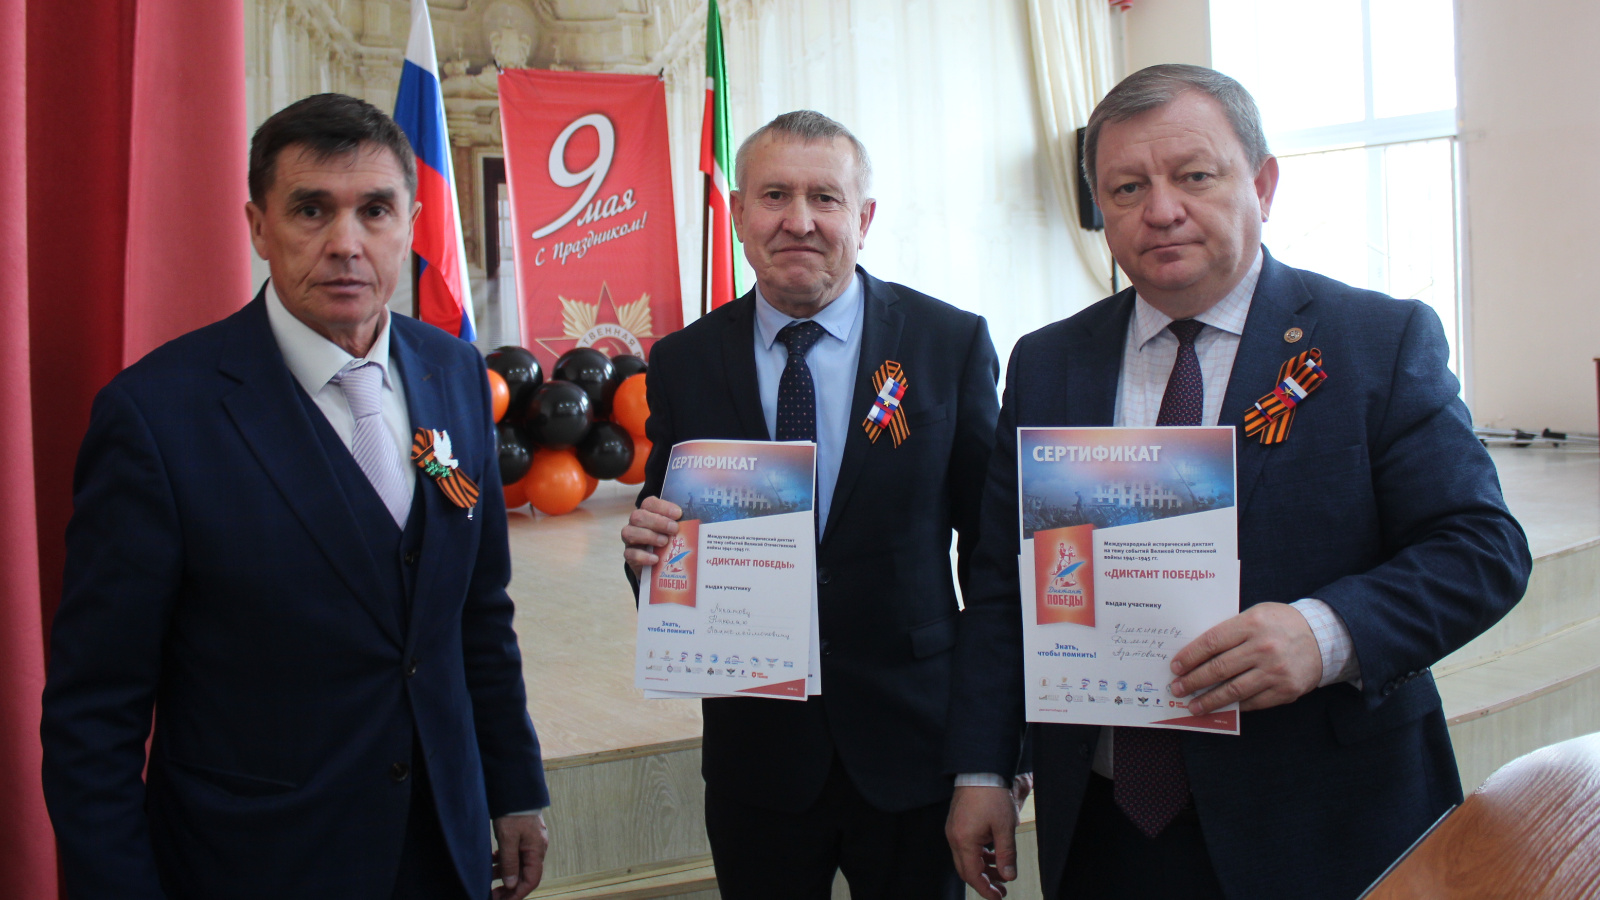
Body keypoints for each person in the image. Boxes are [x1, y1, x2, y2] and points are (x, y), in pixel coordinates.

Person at [943, 65, 1531, 900]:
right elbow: (1006, 587)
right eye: (1127, 187)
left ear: (1262, 184)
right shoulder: (1049, 362)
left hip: (1323, 819)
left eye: (1194, 176)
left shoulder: (1376, 340)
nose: (1161, 210)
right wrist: (983, 767)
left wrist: (1325, 634)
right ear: (1100, 207)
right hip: (1108, 824)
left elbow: (1482, 549)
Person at [40, 93, 550, 900]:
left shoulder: (455, 374)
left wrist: (514, 786)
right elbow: (94, 714)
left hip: (444, 848)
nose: (346, 243)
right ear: (258, 226)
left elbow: (477, 613)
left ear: (410, 225)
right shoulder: (157, 418)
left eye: (374, 210)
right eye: (312, 210)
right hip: (258, 861)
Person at [620, 110, 1002, 898]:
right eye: (774, 196)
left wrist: (992, 754)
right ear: (738, 214)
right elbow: (667, 536)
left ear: (864, 217)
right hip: (757, 758)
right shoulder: (684, 360)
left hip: (914, 749)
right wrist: (648, 559)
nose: (799, 221)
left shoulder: (947, 344)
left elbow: (995, 560)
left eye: (825, 197)